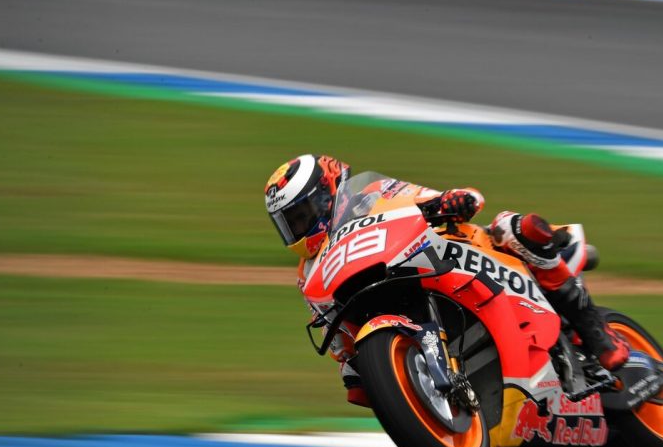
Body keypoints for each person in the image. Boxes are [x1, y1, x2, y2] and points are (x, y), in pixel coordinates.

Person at [265, 153, 629, 407]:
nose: (299, 227)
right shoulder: (308, 274)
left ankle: (596, 330)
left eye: (302, 214)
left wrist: (451, 201)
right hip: (393, 296)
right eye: (289, 223)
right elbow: (334, 330)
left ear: (329, 191)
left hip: (459, 255)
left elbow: (440, 199)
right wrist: (359, 368)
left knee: (515, 227)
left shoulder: (374, 195)